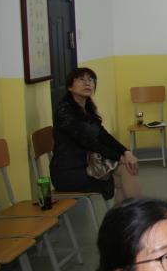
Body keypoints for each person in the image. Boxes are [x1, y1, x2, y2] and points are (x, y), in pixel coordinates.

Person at [50, 68, 141, 201]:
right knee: (126, 173)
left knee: (128, 170)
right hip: (69, 172)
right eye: (81, 79)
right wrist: (119, 157)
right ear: (70, 87)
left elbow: (103, 135)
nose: (87, 83)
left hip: (88, 164)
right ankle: (137, 212)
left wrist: (125, 152)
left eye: (90, 80)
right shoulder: (64, 112)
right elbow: (89, 142)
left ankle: (128, 213)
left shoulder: (87, 108)